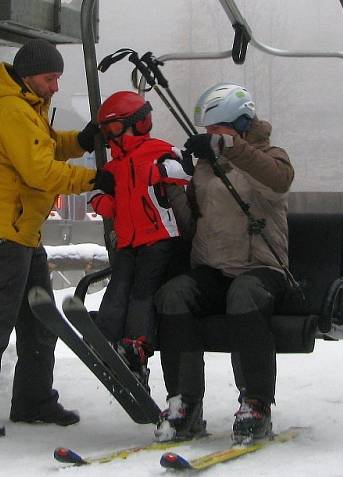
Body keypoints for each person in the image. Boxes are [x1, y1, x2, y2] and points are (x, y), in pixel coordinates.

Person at [0, 38, 110, 437]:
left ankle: (34, 400)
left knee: (39, 320)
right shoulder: (9, 111)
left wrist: (82, 141)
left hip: (24, 230)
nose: (55, 86)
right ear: (28, 76)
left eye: (58, 78)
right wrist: (94, 178)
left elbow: (50, 147)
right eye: (50, 78)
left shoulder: (28, 108)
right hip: (5, 231)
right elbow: (40, 170)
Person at [153, 83, 295, 444]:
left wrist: (229, 150)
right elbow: (192, 223)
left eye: (219, 130)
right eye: (209, 132)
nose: (211, 137)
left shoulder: (270, 156)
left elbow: (279, 183)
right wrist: (170, 188)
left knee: (245, 295)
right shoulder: (204, 167)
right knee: (174, 294)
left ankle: (255, 402)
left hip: (260, 268)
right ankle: (184, 400)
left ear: (241, 126)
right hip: (213, 268)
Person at [88, 91, 193, 386]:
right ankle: (106, 339)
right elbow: (96, 196)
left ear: (139, 123)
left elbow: (185, 169)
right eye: (106, 131)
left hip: (158, 238)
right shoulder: (113, 166)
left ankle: (136, 348)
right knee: (119, 287)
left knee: (142, 293)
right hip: (126, 241)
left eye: (116, 128)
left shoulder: (157, 150)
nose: (111, 137)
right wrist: (104, 196)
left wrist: (159, 172)